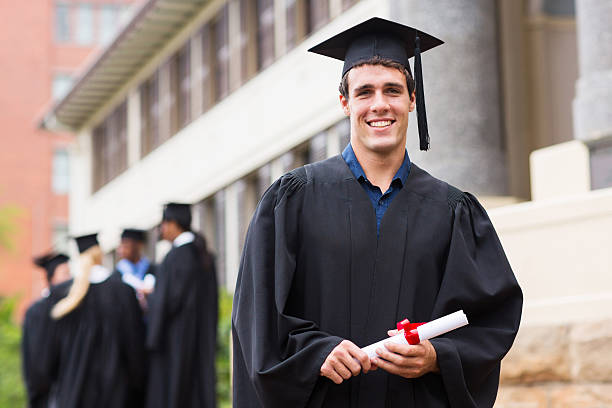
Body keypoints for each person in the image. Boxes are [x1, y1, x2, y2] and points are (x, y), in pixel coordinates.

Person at [231, 17, 523, 407]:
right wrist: (315, 353)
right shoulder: (292, 200)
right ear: (345, 102)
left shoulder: (453, 211)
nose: (379, 105)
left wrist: (438, 357)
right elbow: (258, 315)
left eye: (393, 90)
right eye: (364, 92)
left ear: (412, 99)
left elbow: (491, 318)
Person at [35, 233, 147, 407]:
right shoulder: (123, 292)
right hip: (116, 394)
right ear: (100, 254)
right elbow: (134, 350)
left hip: (72, 395)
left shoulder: (61, 295)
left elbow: (48, 358)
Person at [146, 203, 218, 408]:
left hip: (176, 340)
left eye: (163, 224)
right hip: (202, 339)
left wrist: (150, 297)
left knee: (177, 392)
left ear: (173, 224)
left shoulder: (174, 258)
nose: (161, 230)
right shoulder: (205, 255)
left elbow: (167, 302)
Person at [22, 252, 71, 407]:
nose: (70, 278)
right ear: (52, 278)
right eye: (65, 273)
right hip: (48, 392)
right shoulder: (37, 312)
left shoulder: (73, 308)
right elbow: (33, 359)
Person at [114, 228, 156, 308]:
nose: (120, 250)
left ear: (138, 245)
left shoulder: (154, 270)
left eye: (126, 245)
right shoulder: (116, 276)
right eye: (121, 245)